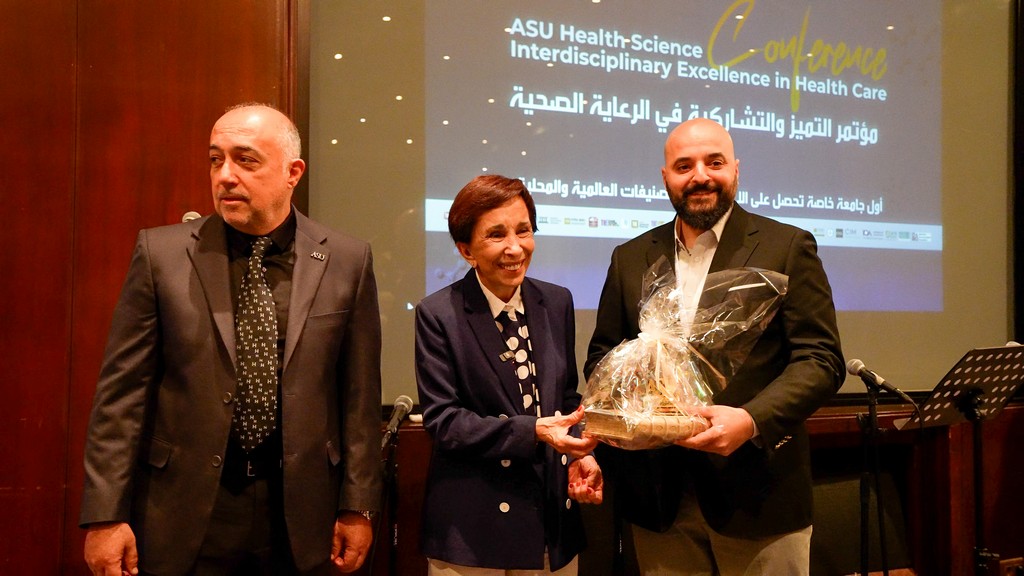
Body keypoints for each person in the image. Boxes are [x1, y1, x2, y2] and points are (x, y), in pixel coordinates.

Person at [80, 104, 383, 575]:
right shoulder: (162, 254)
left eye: (245, 160)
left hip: (302, 514)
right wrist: (105, 515)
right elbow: (120, 398)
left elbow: (359, 401)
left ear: (292, 173)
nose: (225, 176)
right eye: (215, 159)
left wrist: (358, 506)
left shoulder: (348, 260)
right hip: (186, 509)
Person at [585, 118, 844, 575]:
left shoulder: (787, 246)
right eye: (684, 165)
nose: (700, 176)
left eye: (714, 162)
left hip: (759, 494)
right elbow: (603, 358)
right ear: (665, 176)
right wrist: (634, 408)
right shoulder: (629, 257)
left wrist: (751, 420)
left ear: (736, 169)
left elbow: (820, 360)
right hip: (659, 500)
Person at [415, 175, 604, 575]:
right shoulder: (439, 313)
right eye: (496, 234)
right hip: (473, 527)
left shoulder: (556, 301)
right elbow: (444, 421)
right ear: (466, 250)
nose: (515, 247)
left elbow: (566, 398)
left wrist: (581, 452)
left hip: (549, 518)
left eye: (524, 230)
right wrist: (532, 430)